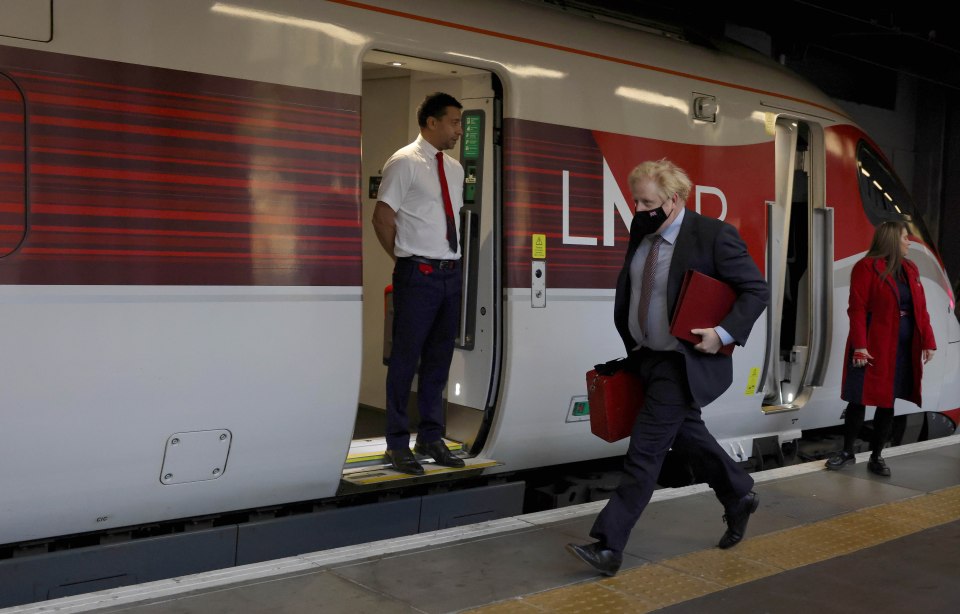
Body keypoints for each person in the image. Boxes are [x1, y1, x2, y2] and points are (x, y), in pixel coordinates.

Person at [567, 159, 770, 576]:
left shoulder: (712, 236)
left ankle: (609, 546)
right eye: (636, 201)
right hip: (647, 356)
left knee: (644, 452)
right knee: (689, 436)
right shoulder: (644, 231)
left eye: (648, 202)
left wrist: (724, 333)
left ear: (674, 200)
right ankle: (738, 494)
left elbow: (755, 290)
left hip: (682, 361)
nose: (640, 210)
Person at [372, 92, 466, 475]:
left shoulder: (455, 169)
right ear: (431, 122)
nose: (459, 129)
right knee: (405, 359)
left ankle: (431, 436)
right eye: (454, 122)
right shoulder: (404, 162)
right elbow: (382, 217)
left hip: (450, 273)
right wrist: (405, 258)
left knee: (439, 360)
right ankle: (397, 443)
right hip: (418, 273)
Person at [825, 221, 936, 476]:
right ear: (892, 240)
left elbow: (921, 310)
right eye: (905, 238)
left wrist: (928, 342)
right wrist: (860, 346)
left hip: (901, 347)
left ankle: (876, 457)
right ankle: (847, 452)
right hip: (871, 347)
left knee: (888, 402)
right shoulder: (866, 267)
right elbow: (857, 309)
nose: (909, 242)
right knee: (858, 398)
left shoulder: (911, 269)